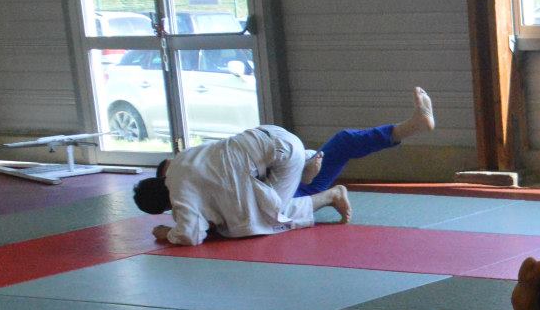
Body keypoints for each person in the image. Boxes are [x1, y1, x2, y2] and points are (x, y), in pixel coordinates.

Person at [130, 88, 436, 245]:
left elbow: (189, 234)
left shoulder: (182, 191)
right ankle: (410, 126)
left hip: (279, 162)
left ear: (166, 202)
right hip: (273, 140)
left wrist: (167, 233)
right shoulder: (191, 161)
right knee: (343, 142)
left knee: (265, 217)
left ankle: (320, 188)